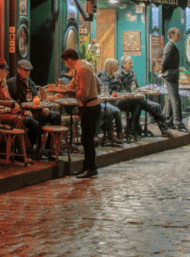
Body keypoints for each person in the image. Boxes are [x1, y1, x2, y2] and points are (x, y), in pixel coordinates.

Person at [61, 49, 101, 179]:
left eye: (66, 63)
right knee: (85, 138)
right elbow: (72, 85)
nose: (66, 66)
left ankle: (91, 168)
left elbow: (83, 93)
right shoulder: (79, 69)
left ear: (70, 60)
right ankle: (86, 167)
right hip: (87, 108)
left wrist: (69, 93)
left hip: (90, 107)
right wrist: (59, 89)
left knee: (87, 139)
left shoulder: (83, 70)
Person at [7, 59, 62, 151]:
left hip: (34, 111)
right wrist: (23, 111)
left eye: (28, 70)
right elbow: (11, 102)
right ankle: (29, 149)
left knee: (56, 116)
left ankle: (49, 148)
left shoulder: (30, 82)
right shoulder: (11, 83)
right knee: (38, 126)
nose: (27, 73)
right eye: (25, 70)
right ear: (18, 70)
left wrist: (44, 108)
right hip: (21, 113)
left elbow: (37, 98)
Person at [0, 59, 35, 150]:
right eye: (5, 70)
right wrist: (12, 104)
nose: (7, 72)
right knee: (19, 119)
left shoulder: (3, 83)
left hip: (6, 111)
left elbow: (9, 99)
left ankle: (15, 149)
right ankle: (24, 150)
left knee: (23, 118)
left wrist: (15, 106)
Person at [114, 55, 170, 137]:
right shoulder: (118, 75)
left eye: (132, 63)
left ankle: (164, 130)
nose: (132, 64)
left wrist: (143, 90)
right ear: (123, 65)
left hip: (136, 100)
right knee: (139, 102)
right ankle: (136, 129)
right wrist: (130, 93)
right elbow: (119, 91)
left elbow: (137, 88)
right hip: (124, 101)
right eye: (130, 63)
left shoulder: (133, 74)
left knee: (156, 106)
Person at [161, 28, 188, 132]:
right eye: (177, 34)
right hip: (170, 76)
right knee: (175, 99)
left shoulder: (172, 45)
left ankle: (168, 121)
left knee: (169, 99)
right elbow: (165, 60)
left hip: (172, 75)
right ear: (171, 35)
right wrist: (162, 71)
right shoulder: (170, 45)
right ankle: (178, 123)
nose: (179, 36)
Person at [97, 58, 125, 144]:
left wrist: (120, 92)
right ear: (111, 66)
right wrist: (115, 93)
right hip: (107, 101)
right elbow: (106, 90)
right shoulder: (103, 76)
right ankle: (112, 134)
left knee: (118, 109)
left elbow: (120, 87)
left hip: (114, 99)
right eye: (116, 65)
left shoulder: (114, 75)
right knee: (115, 111)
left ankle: (119, 134)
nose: (117, 67)